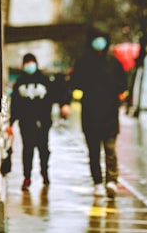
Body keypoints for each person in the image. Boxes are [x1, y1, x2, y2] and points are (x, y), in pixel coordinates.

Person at [65, 27, 128, 198]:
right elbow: (74, 85)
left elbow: (123, 85)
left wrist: (120, 97)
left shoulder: (114, 63)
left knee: (110, 150)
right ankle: (98, 181)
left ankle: (111, 180)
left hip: (109, 115)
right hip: (90, 116)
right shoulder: (83, 63)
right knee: (93, 152)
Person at [9, 52, 63, 191]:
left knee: (43, 150)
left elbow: (53, 97)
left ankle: (44, 173)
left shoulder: (44, 80)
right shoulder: (20, 82)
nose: (29, 66)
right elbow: (15, 104)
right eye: (26, 63)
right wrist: (11, 122)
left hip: (42, 122)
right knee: (27, 150)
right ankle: (27, 177)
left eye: (31, 62)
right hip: (26, 123)